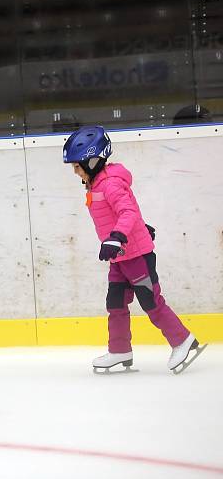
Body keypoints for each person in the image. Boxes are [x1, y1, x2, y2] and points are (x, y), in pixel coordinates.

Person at [63, 125, 206, 375]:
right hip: (120, 257)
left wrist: (117, 237)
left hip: (136, 255)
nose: (75, 172)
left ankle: (183, 340)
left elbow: (126, 211)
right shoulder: (96, 186)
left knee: (151, 301)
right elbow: (124, 212)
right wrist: (132, 230)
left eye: (77, 166)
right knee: (115, 303)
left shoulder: (110, 184)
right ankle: (119, 350)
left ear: (93, 161)